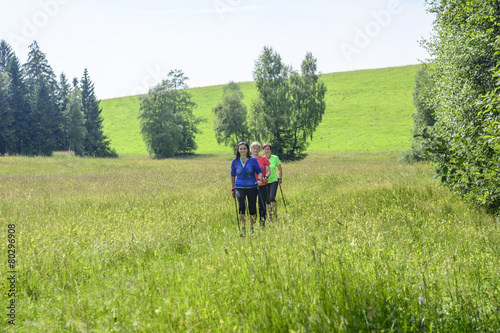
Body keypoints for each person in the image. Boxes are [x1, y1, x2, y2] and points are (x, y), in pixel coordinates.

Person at [231, 142, 263, 236]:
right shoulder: (235, 161)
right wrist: (233, 189)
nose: (242, 150)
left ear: (247, 150)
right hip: (239, 186)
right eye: (240, 149)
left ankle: (252, 227)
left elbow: (259, 171)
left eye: (244, 148)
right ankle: (243, 228)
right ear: (238, 150)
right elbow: (232, 175)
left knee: (252, 207)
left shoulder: (252, 160)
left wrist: (260, 179)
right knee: (241, 206)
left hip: (252, 187)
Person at [250, 141, 271, 228]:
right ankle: (252, 224)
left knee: (261, 204)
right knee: (252, 204)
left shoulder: (263, 159)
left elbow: (268, 170)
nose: (255, 150)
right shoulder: (248, 159)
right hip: (251, 185)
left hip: (262, 184)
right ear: (251, 149)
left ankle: (262, 223)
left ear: (259, 150)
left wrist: (266, 176)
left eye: (257, 148)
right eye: (253, 148)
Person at [262, 143, 282, 220]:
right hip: (265, 181)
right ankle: (270, 215)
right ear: (263, 150)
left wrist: (280, 177)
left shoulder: (275, 158)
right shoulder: (261, 159)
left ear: (270, 150)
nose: (266, 151)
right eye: (265, 149)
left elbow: (280, 169)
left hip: (274, 180)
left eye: (268, 149)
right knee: (267, 200)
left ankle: (275, 213)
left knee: (272, 197)